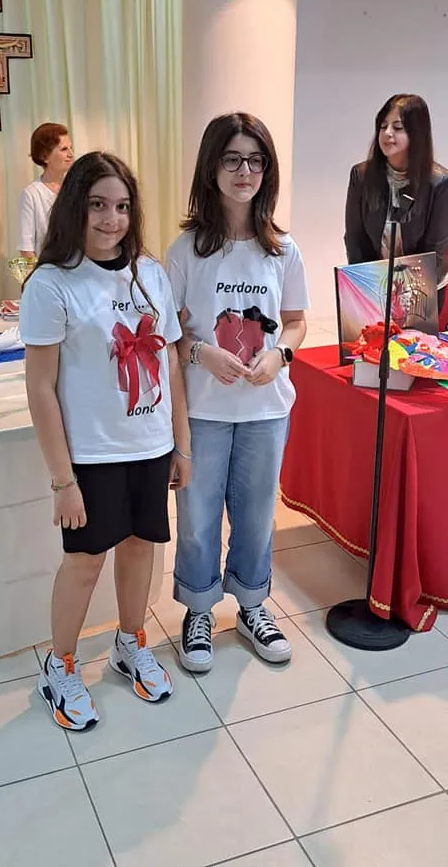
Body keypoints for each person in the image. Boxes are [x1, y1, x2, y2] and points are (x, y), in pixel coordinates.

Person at [19, 151, 191, 730]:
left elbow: (170, 364)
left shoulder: (150, 273)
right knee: (85, 561)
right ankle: (61, 665)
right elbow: (41, 389)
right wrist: (62, 480)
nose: (111, 219)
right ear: (76, 207)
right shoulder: (52, 283)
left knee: (141, 547)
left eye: (121, 206)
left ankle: (130, 641)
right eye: (97, 205)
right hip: (91, 455)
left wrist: (181, 444)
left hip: (150, 445)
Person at [165, 112, 308, 673]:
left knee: (255, 517)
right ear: (212, 167)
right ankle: (199, 610)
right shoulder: (186, 251)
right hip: (203, 411)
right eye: (232, 159)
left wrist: (280, 355)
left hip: (265, 410)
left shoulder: (283, 249)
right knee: (198, 518)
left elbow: (294, 322)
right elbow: (170, 334)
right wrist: (202, 353)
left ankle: (251, 605)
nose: (244, 171)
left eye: (255, 160)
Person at [344, 94, 448, 305]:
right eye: (383, 126)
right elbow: (355, 239)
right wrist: (367, 286)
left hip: (422, 289)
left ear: (416, 133)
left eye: (398, 127)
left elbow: (435, 251)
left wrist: (404, 292)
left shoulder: (439, 183)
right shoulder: (361, 176)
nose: (387, 133)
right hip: (373, 287)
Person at [17, 123, 74, 259]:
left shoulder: (77, 188)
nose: (71, 154)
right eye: (64, 149)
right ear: (45, 156)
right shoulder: (31, 195)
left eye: (71, 148)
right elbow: (26, 250)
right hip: (48, 268)